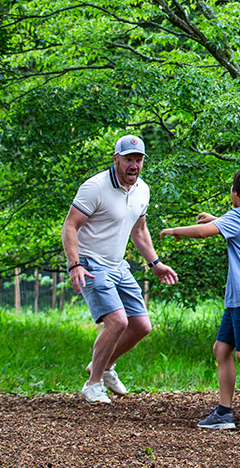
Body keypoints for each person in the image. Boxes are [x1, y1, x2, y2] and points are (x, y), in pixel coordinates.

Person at [160, 166, 240, 433]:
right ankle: (224, 413)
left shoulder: (237, 217)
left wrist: (174, 230)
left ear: (236, 194)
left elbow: (204, 233)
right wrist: (216, 218)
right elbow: (232, 226)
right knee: (221, 349)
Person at [62, 134, 178, 404]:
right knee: (117, 322)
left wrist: (156, 263)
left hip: (118, 265)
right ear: (116, 159)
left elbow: (139, 230)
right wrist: (74, 264)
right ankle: (93, 384)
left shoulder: (142, 190)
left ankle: (102, 367)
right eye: (128, 159)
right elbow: (70, 226)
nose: (134, 166)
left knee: (141, 325)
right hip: (90, 261)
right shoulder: (95, 188)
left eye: (138, 160)